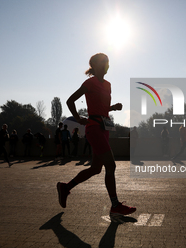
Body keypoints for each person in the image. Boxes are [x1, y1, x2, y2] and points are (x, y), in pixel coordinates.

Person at [57, 53, 136, 218]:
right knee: (111, 166)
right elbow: (70, 100)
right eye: (103, 63)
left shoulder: (108, 84)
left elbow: (102, 108)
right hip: (93, 128)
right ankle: (115, 205)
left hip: (104, 129)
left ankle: (66, 187)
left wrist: (113, 107)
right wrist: (78, 119)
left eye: (108, 63)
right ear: (95, 65)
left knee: (95, 168)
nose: (107, 66)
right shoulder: (90, 83)